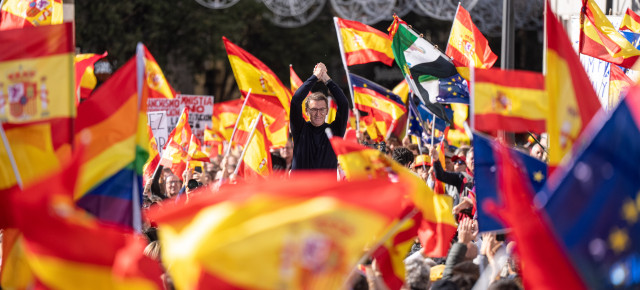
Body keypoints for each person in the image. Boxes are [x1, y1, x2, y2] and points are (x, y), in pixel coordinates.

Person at [289, 62, 348, 170]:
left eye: (322, 109)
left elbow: (343, 103)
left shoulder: (334, 131)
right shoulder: (300, 128)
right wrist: (315, 76)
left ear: (327, 111)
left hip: (327, 186)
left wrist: (326, 79)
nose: (318, 113)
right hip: (300, 186)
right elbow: (295, 101)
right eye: (314, 109)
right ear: (307, 111)